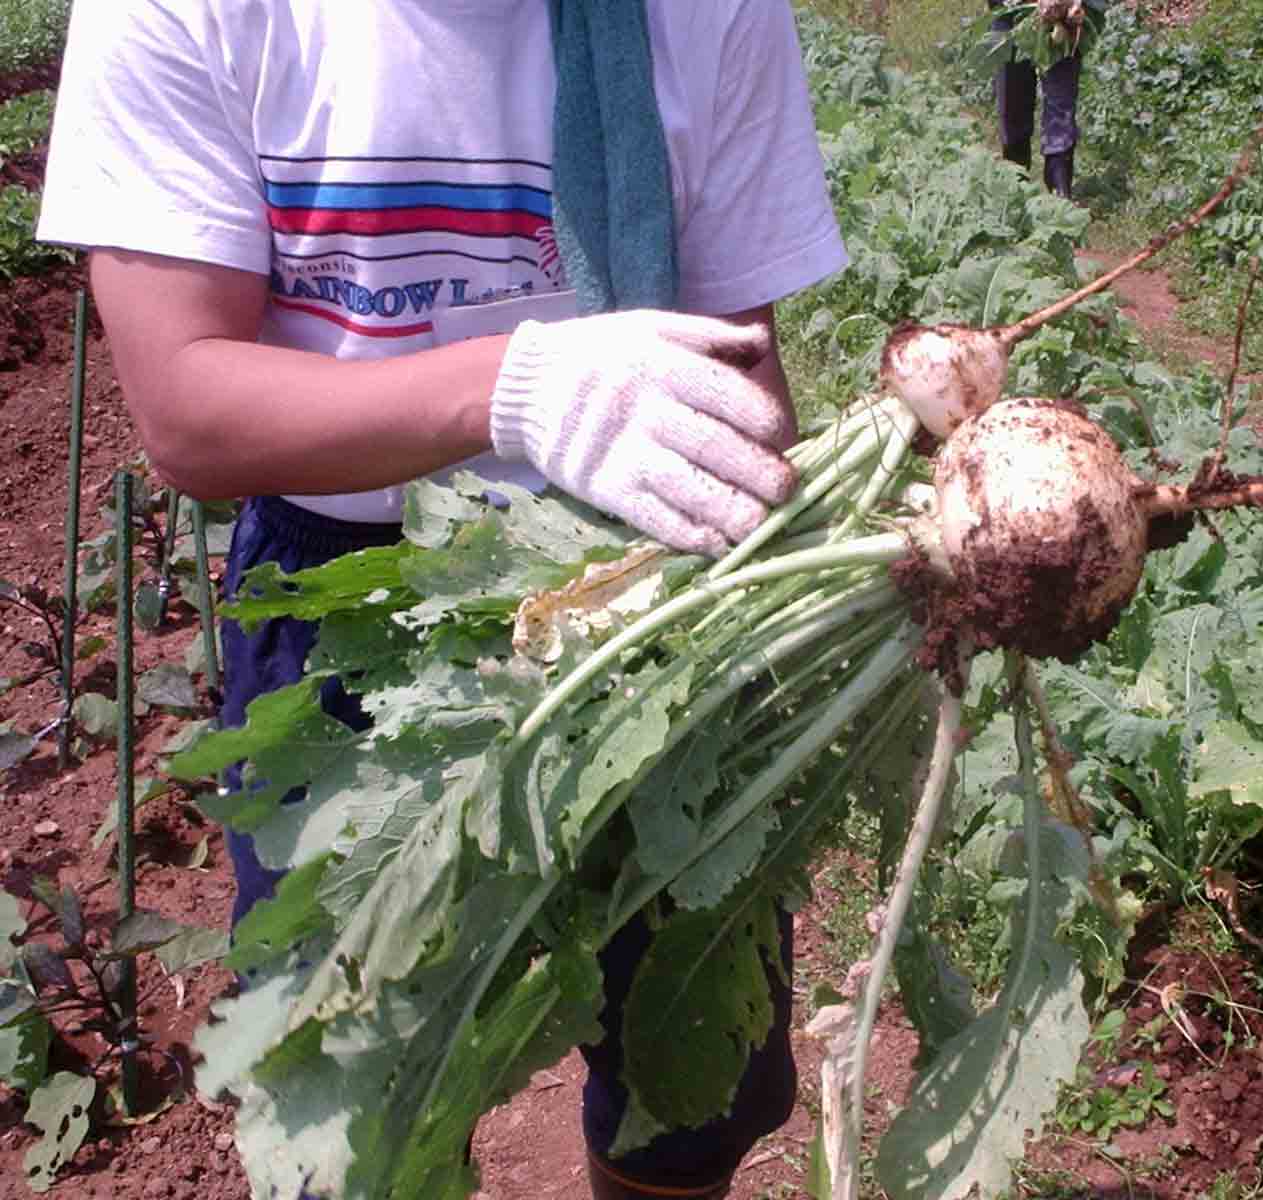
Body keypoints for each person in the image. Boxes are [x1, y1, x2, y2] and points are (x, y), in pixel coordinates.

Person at [36, 3, 847, 1198]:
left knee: (693, 1083)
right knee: (356, 1115)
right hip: (345, 594)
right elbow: (186, 410)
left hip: (643, 588)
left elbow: (733, 365)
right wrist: (512, 388)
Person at [986, 0, 1094, 198]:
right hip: (1011, 10)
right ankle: (1016, 190)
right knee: (1012, 103)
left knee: (1061, 104)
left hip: (1064, 12)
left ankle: (1060, 197)